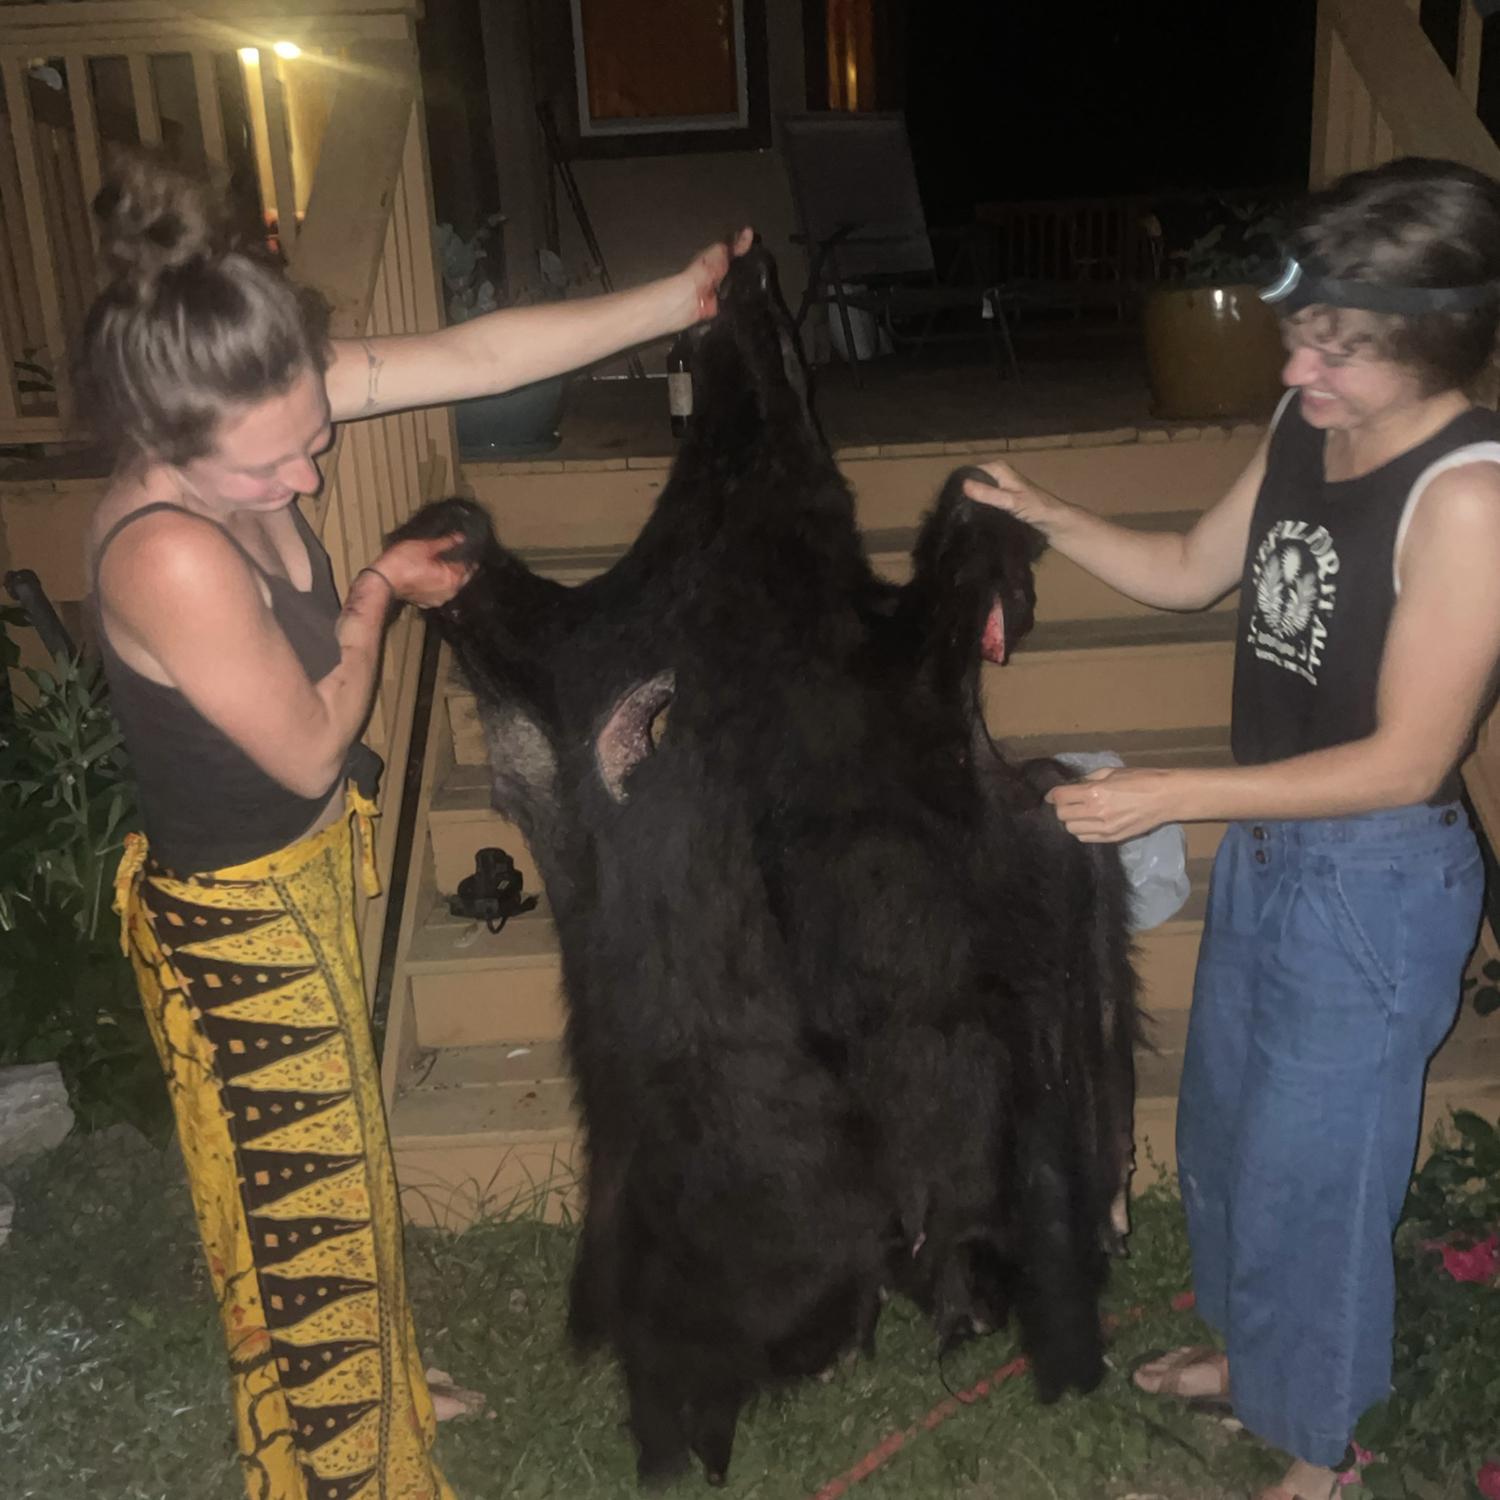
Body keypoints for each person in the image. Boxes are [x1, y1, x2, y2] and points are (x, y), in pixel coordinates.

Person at [82, 150, 745, 1500]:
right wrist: (377, 591)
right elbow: (318, 737)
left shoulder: (246, 410)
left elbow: (474, 349)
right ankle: (347, 1453)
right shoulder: (165, 552)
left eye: (316, 436)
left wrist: (672, 301)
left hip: (302, 877)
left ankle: (373, 1375)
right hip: (239, 934)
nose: (311, 477)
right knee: (303, 1221)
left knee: (340, 1178)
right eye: (274, 467)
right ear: (175, 442)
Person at [965, 157, 1500, 1500]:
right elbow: (1191, 572)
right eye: (1299, 334)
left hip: (1375, 878)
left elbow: (1409, 762)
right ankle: (1251, 1357)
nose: (1296, 369)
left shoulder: (1471, 501)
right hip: (1277, 851)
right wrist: (1048, 515)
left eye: (1335, 349)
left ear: (1436, 343)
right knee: (1229, 1129)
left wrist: (1173, 794)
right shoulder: (1304, 432)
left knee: (1321, 1172)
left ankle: (1316, 1451)